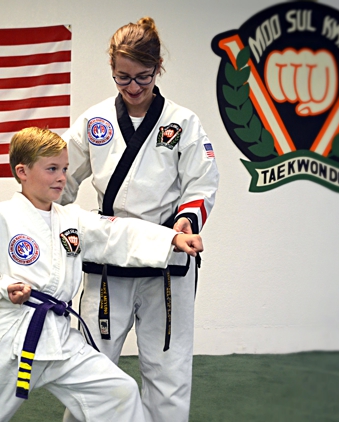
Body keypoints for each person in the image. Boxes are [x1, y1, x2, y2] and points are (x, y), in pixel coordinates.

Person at [0, 127, 204, 422]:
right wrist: (3, 287)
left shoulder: (71, 219)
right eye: (51, 169)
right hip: (13, 339)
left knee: (119, 392)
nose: (62, 177)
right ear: (22, 171)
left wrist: (170, 240)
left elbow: (116, 232)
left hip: (60, 339)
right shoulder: (0, 216)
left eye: (64, 169)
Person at [59, 17, 219, 422]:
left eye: (143, 78)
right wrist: (45, 222)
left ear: (158, 67)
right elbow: (61, 181)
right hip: (108, 256)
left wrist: (188, 219)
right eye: (122, 78)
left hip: (168, 253)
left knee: (168, 367)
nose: (132, 88)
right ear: (112, 71)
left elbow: (202, 182)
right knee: (91, 366)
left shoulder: (183, 123)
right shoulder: (94, 121)